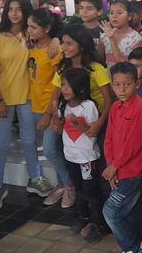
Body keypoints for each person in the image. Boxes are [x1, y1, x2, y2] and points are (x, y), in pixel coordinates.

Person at [0, 0, 53, 211]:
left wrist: (58, 39)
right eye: (11, 9)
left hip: (27, 97)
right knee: (2, 144)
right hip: (2, 99)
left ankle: (35, 178)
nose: (15, 13)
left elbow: (52, 37)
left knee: (29, 140)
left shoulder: (30, 34)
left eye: (19, 9)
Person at [103, 62, 142, 253]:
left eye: (127, 84)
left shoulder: (141, 108)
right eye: (117, 84)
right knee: (127, 213)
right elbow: (109, 137)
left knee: (111, 212)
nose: (122, 89)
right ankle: (139, 245)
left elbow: (134, 143)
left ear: (137, 84)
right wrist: (111, 166)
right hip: (117, 169)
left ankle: (136, 248)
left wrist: (115, 166)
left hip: (133, 170)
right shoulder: (116, 107)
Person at [27, 9, 72, 207]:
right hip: (35, 104)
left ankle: (70, 186)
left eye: (33, 27)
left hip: (51, 107)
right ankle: (63, 185)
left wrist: (50, 112)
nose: (29, 31)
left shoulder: (54, 51)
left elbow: (58, 84)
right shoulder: (32, 48)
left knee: (50, 150)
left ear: (46, 29)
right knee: (56, 149)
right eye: (28, 26)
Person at [58, 68, 106, 243]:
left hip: (87, 158)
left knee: (91, 190)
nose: (64, 89)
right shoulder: (62, 105)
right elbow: (58, 126)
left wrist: (77, 124)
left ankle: (97, 222)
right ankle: (83, 217)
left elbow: (92, 132)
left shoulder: (88, 106)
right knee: (78, 188)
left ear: (80, 87)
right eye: (63, 85)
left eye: (68, 86)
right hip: (70, 156)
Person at [98, 0, 142, 67]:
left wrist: (111, 38)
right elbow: (100, 61)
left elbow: (122, 65)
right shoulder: (104, 36)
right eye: (111, 13)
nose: (114, 16)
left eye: (119, 13)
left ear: (129, 16)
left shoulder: (136, 39)